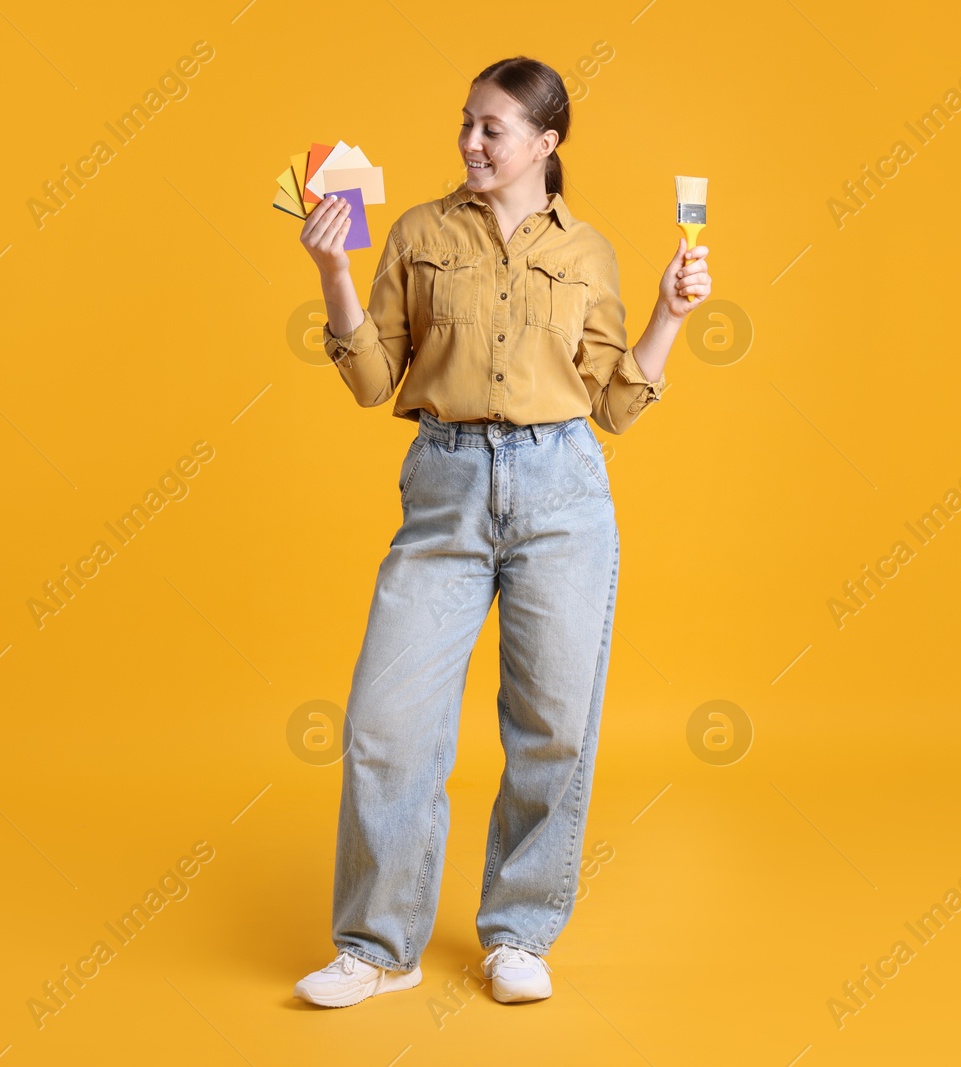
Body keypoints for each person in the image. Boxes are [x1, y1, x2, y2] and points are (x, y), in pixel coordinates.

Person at [292, 56, 710, 1009]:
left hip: (563, 491)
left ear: (545, 143)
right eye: (466, 124)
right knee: (386, 725)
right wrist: (333, 270)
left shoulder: (589, 250)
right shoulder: (417, 232)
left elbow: (616, 406)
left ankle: (518, 933)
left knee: (554, 729)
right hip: (445, 484)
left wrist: (669, 314)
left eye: (493, 128)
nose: (470, 142)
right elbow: (369, 380)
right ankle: (376, 945)